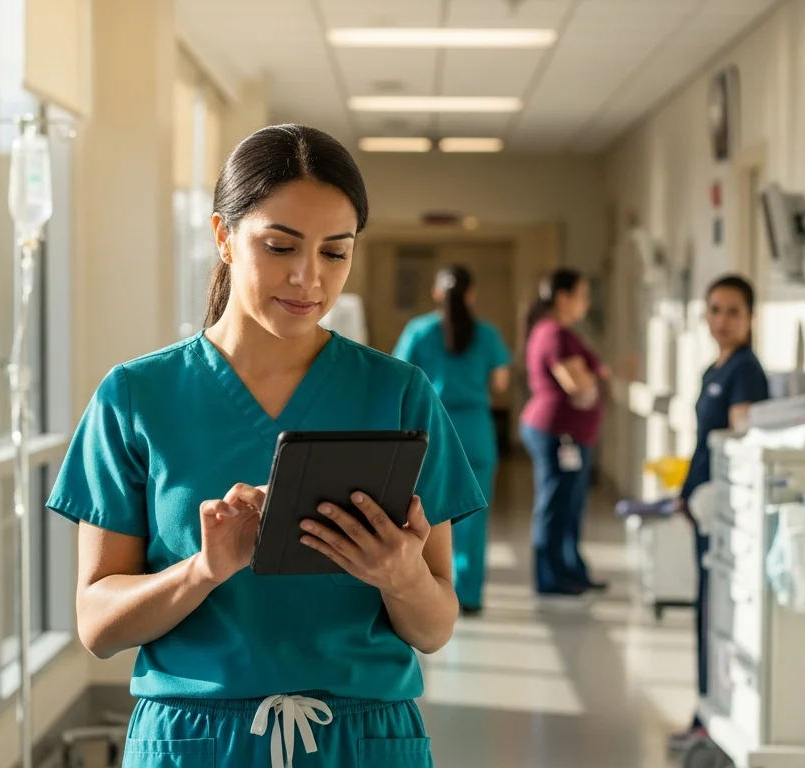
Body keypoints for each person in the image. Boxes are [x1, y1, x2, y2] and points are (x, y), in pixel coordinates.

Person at [47, 125, 485, 768]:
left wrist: (400, 575)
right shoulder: (137, 397)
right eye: (280, 246)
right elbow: (97, 626)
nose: (308, 278)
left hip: (362, 742)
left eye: (336, 253)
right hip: (194, 743)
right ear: (224, 236)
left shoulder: (400, 396)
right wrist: (205, 569)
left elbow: (435, 626)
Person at [671, 274, 770, 749]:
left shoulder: (746, 371)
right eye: (715, 309)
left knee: (717, 614)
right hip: (703, 507)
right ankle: (704, 712)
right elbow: (704, 446)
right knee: (705, 612)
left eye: (733, 311)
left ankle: (712, 718)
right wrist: (684, 492)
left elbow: (737, 443)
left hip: (725, 512)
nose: (722, 320)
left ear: (751, 318)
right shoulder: (716, 369)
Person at [392, 265, 512, 617]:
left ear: (436, 293)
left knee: (428, 512)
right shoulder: (487, 334)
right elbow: (501, 383)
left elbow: (400, 377)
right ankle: (469, 595)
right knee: (474, 515)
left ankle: (431, 590)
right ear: (471, 294)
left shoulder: (419, 330)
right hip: (475, 429)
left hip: (432, 429)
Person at [519, 268, 610, 596]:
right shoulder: (554, 333)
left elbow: (587, 382)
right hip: (558, 433)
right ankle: (551, 577)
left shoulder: (560, 332)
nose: (586, 303)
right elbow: (578, 386)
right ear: (563, 297)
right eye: (582, 295)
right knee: (555, 504)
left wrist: (593, 378)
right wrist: (595, 377)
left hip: (568, 434)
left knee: (570, 505)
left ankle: (571, 570)